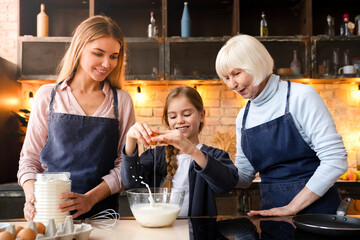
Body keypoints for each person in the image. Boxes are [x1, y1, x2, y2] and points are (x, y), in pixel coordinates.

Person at [17, 15, 136, 220]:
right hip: (52, 215)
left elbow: (124, 166)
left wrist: (89, 199)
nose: (107, 64)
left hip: (102, 216)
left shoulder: (121, 101)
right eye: (98, 54)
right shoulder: (48, 96)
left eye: (114, 56)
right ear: (79, 49)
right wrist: (32, 197)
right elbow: (29, 160)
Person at [215, 34, 347, 216]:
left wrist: (291, 208)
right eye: (226, 78)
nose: (232, 84)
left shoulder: (300, 96)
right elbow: (244, 177)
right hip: (272, 216)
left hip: (318, 216)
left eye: (237, 74)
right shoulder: (243, 118)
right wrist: (204, 161)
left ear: (256, 63)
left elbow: (335, 160)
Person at [121, 86, 239, 216]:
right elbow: (131, 182)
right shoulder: (156, 155)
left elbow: (227, 184)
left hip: (196, 232)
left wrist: (191, 150)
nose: (180, 120)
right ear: (167, 120)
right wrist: (130, 139)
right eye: (172, 116)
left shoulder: (215, 156)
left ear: (202, 115)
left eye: (187, 114)